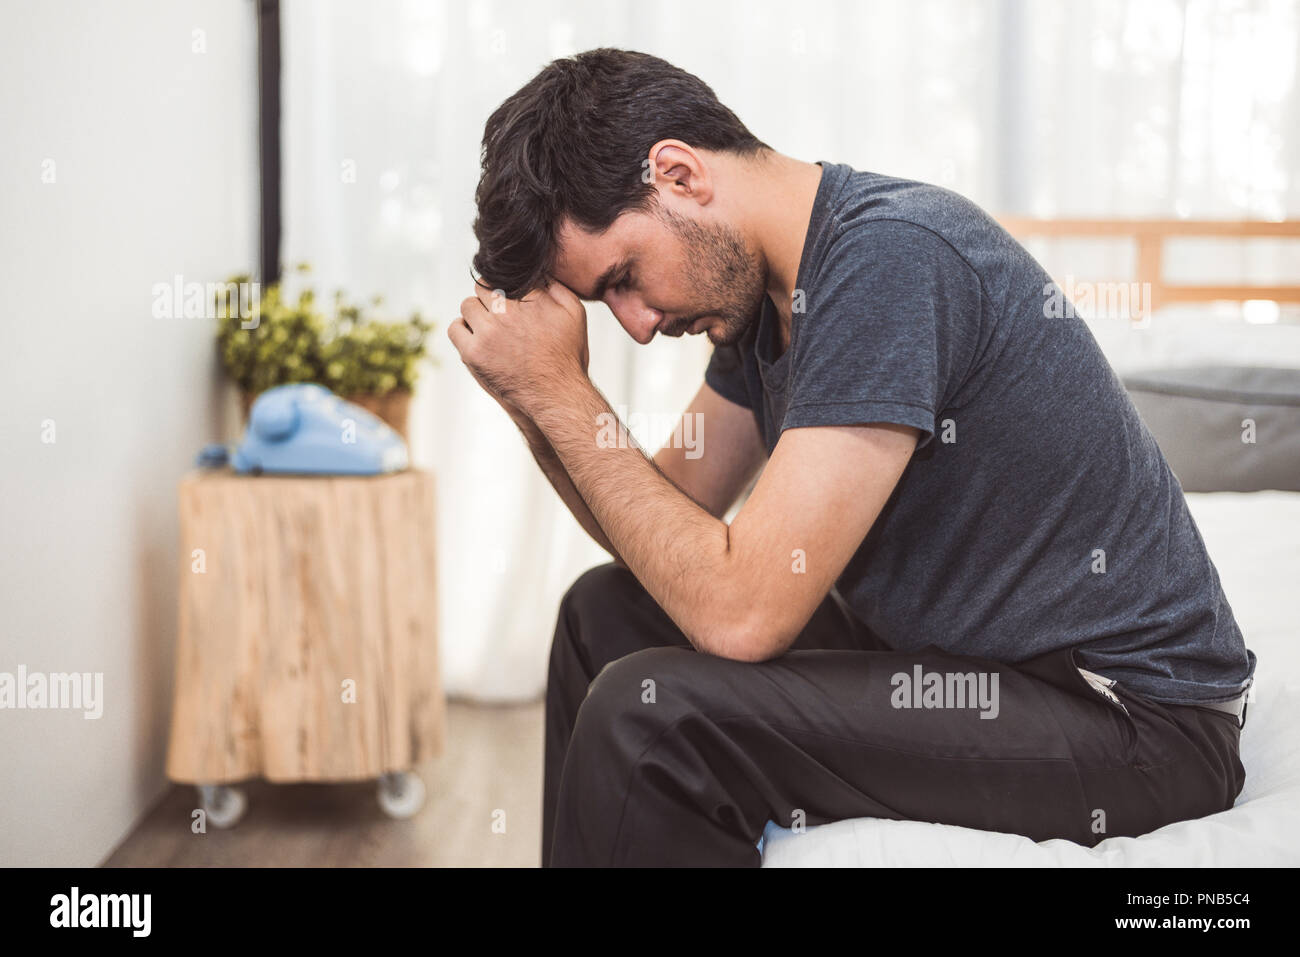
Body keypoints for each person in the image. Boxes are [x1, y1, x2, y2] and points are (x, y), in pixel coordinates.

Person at [447, 48, 1256, 867]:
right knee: (603, 614)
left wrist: (560, 394)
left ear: (680, 175)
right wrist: (533, 398)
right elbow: (661, 513)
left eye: (624, 275)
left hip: (1132, 719)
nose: (637, 323)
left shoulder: (888, 259)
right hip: (962, 664)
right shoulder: (760, 301)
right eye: (606, 299)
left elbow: (740, 617)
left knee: (649, 716)